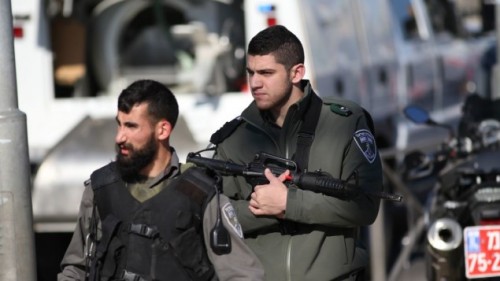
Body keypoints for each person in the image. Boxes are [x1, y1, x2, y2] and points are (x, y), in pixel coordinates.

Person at [210, 25, 383, 280]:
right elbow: (215, 216)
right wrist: (263, 207)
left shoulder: (344, 123)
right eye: (251, 72)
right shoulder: (235, 137)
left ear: (296, 73)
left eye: (266, 73)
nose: (255, 83)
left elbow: (365, 206)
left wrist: (288, 204)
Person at [57, 79, 264, 281]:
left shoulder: (202, 194)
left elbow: (242, 274)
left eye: (131, 126)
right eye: (119, 125)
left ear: (162, 130)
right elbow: (75, 269)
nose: (120, 137)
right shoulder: (100, 188)